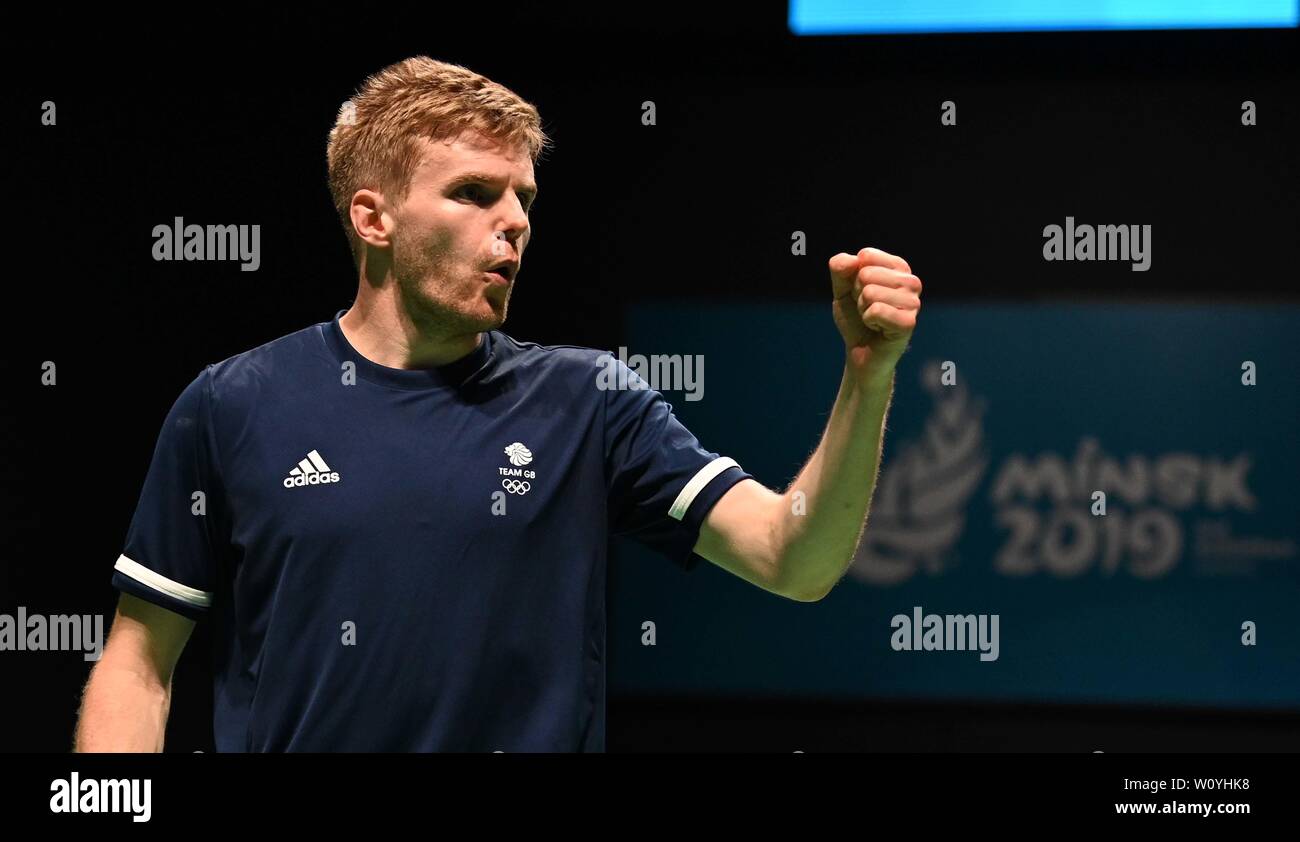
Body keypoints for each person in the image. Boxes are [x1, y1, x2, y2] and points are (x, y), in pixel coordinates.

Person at [74, 56, 922, 752]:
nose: (514, 222)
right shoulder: (232, 404)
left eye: (524, 199)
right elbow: (139, 663)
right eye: (476, 193)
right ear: (373, 218)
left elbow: (793, 559)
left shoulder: (591, 402)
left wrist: (867, 376)